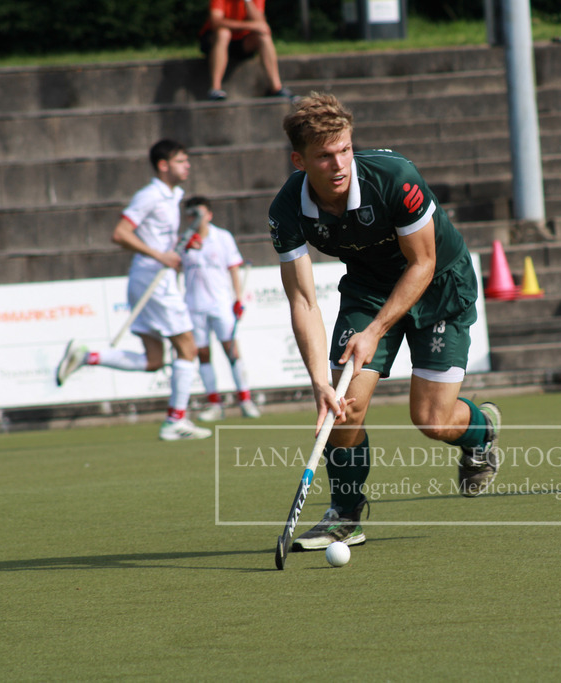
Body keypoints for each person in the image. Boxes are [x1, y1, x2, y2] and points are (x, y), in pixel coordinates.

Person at [269, 92, 502, 550]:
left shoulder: (395, 178)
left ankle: (480, 431)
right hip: (369, 289)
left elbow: (423, 263)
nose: (339, 165)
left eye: (345, 150)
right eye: (325, 156)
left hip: (439, 285)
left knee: (432, 420)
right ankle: (345, 516)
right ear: (300, 161)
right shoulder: (286, 209)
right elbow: (303, 301)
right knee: (343, 408)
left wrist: (374, 332)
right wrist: (319, 381)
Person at [56, 140, 212, 442]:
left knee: (153, 361)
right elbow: (120, 234)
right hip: (153, 279)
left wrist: (178, 245)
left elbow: (158, 238)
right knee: (188, 348)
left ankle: (88, 356)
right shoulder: (150, 195)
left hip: (150, 278)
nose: (187, 166)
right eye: (181, 161)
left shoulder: (173, 196)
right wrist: (160, 255)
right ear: (163, 165)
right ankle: (175, 421)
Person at [180, 196, 261, 421]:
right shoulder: (182, 241)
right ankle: (214, 404)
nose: (195, 218)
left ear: (209, 215)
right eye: (191, 214)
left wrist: (238, 298)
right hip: (194, 306)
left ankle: (245, 400)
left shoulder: (222, 237)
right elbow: (175, 269)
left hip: (220, 304)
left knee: (231, 350)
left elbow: (233, 269)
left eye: (199, 213)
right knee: (203, 354)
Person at [198, 0, 293, 102]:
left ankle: (276, 88)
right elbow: (215, 22)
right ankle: (215, 89)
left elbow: (261, 24)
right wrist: (250, 25)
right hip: (216, 41)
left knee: (264, 37)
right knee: (223, 33)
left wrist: (248, 1)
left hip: (242, 43)